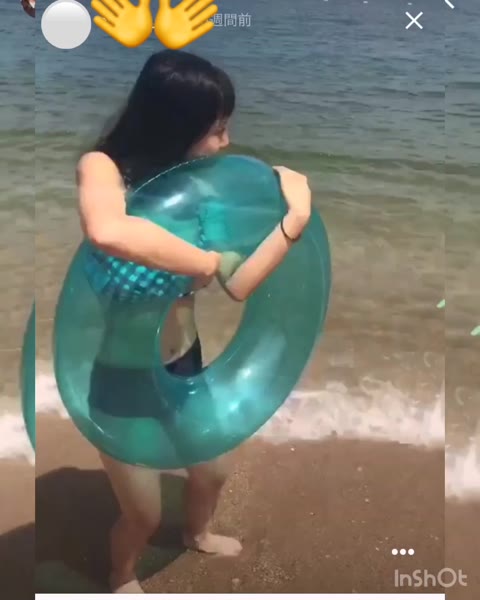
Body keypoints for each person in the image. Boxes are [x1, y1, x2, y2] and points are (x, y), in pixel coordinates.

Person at [77, 50, 312, 593]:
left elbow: (239, 283)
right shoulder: (104, 170)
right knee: (142, 516)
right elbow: (107, 231)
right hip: (121, 378)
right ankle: (121, 575)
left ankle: (197, 533)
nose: (226, 143)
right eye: (217, 129)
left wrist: (294, 220)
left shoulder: (204, 193)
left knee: (213, 472)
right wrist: (202, 262)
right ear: (176, 125)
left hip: (184, 365)